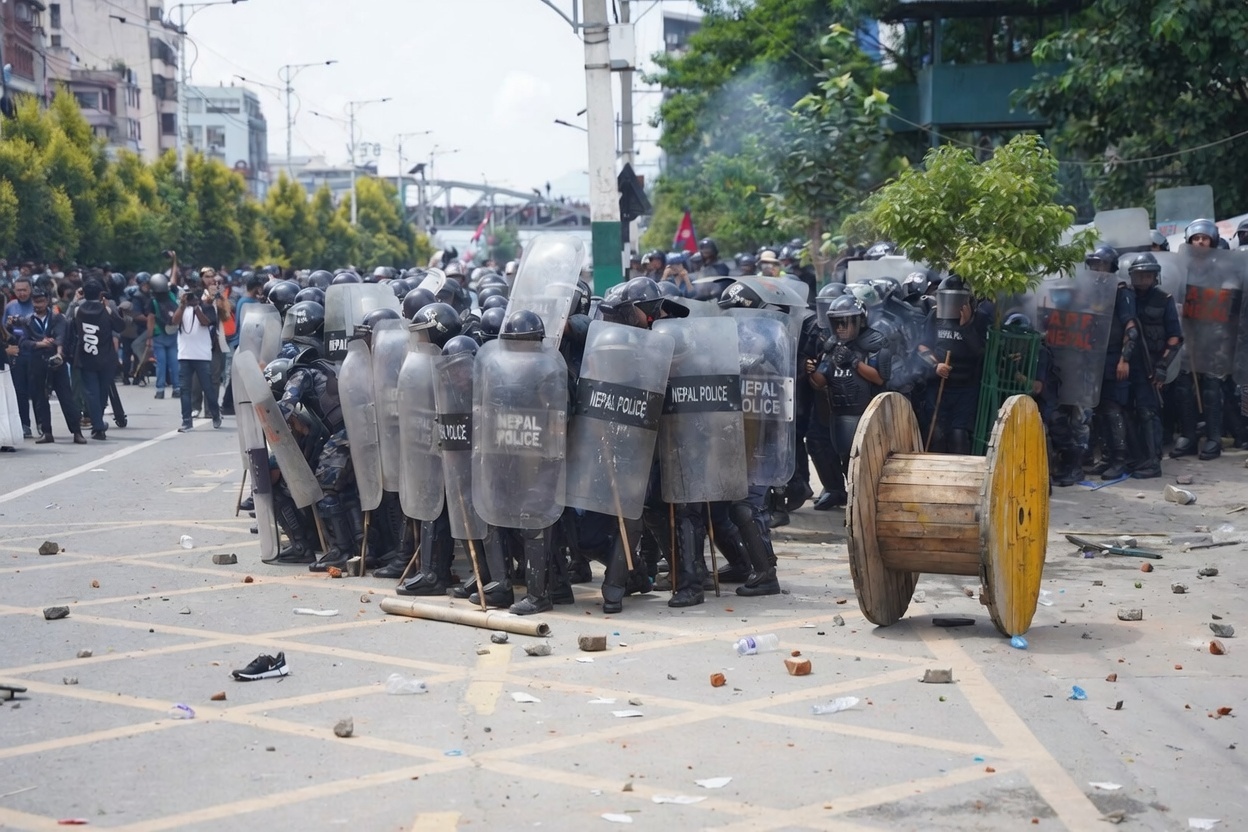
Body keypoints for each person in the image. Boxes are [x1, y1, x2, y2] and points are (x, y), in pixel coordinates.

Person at [1126, 253, 1182, 478]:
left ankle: (1152, 461)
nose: (1143, 279)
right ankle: (1135, 458)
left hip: (1151, 366)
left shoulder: (1163, 299)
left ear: (1155, 276)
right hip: (1127, 363)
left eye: (1148, 275)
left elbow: (1175, 337)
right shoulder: (1126, 297)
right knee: (1125, 411)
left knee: (1148, 412)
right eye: (1139, 274)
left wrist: (1162, 366)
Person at [20, 287, 85, 444]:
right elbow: (23, 342)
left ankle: (77, 432)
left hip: (57, 362)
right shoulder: (28, 320)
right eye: (35, 302)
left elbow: (61, 336)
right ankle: (46, 432)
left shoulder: (57, 318)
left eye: (41, 301)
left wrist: (58, 351)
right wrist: (39, 344)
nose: (38, 305)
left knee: (66, 398)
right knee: (40, 399)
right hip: (37, 363)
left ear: (47, 301)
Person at [71, 280, 125, 440]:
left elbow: (70, 326)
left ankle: (98, 425)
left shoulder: (77, 310)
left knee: (91, 393)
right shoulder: (106, 309)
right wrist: (110, 309)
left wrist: (75, 301)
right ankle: (98, 424)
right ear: (101, 294)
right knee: (102, 392)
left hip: (86, 357)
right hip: (106, 358)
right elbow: (120, 327)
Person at [172, 278, 221, 432]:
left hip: (202, 355)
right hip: (184, 355)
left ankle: (215, 414)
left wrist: (196, 308)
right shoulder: (182, 308)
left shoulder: (206, 307)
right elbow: (174, 321)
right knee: (184, 389)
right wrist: (182, 306)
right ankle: (186, 421)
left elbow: (206, 322)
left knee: (208, 388)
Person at [3, 276, 34, 437]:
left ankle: (43, 424)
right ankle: (24, 424)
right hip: (18, 354)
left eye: (24, 290)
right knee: (20, 392)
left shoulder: (37, 304)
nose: (21, 293)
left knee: (38, 392)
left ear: (30, 289)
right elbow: (4, 330)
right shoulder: (10, 307)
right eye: (18, 290)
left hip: (36, 353)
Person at [148, 273, 180, 398]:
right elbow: (173, 281)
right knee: (174, 362)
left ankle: (160, 390)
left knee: (161, 364)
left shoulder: (153, 302)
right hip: (173, 332)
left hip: (158, 335)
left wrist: (149, 337)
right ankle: (177, 388)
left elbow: (151, 319)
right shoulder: (172, 295)